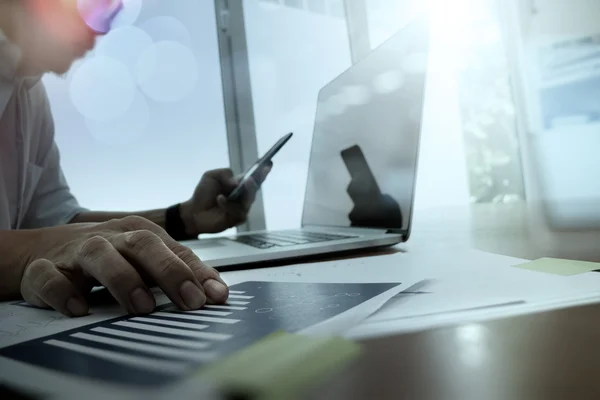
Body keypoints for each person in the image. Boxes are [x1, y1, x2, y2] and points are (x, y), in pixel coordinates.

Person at [0, 0, 269, 317]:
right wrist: (32, 251)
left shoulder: (30, 95)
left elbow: (58, 219)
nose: (98, 32)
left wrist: (183, 218)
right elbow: (51, 238)